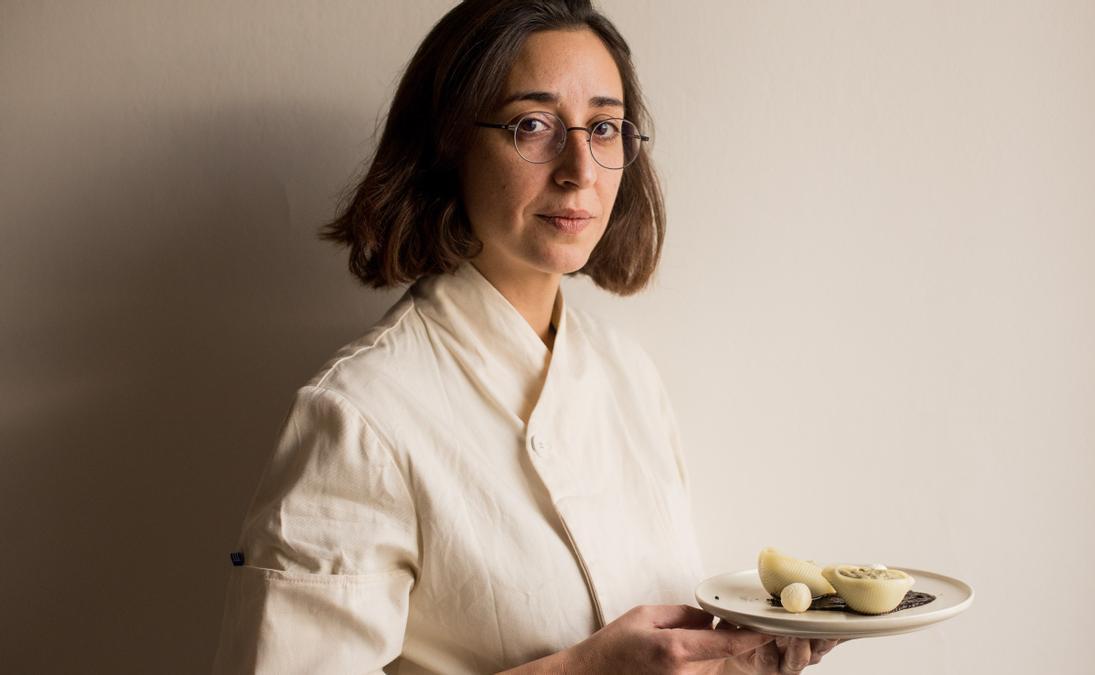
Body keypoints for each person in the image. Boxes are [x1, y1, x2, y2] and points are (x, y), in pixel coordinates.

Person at [212, 1, 841, 672]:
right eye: (533, 125)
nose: (579, 168)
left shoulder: (628, 375)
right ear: (448, 147)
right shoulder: (360, 416)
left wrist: (738, 662)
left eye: (603, 127)